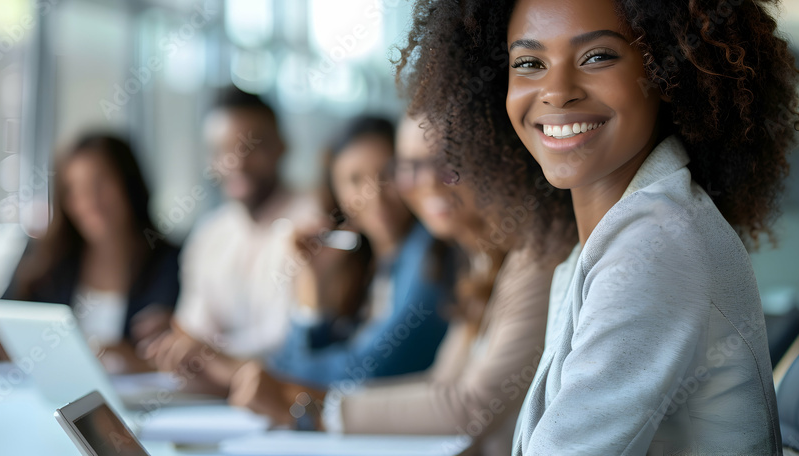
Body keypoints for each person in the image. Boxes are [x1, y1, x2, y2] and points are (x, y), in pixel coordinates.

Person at [393, 0, 799, 454]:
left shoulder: (657, 247)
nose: (557, 90)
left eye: (597, 57)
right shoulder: (610, 243)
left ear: (671, 71)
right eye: (528, 63)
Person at [228, 116, 574, 455]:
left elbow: (454, 399)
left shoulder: (448, 255)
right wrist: (311, 287)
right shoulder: (473, 260)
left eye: (447, 160)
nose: (428, 181)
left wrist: (305, 408)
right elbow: (441, 383)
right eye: (410, 165)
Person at [260, 116, 453, 387]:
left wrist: (276, 374)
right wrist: (312, 285)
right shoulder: (366, 265)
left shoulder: (429, 251)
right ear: (335, 193)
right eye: (354, 180)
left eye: (388, 174)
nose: (374, 195)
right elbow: (296, 363)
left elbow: (366, 370)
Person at [144, 87, 315, 391]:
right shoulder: (210, 235)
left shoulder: (312, 222)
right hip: (218, 400)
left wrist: (209, 354)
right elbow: (194, 333)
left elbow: (289, 345)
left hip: (288, 396)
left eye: (251, 147)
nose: (237, 163)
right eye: (222, 151)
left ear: (282, 147)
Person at [3, 133, 180, 372]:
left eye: (101, 184)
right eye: (75, 190)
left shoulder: (175, 264)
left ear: (129, 184)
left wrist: (140, 361)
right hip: (51, 399)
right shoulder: (45, 258)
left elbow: (191, 349)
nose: (90, 202)